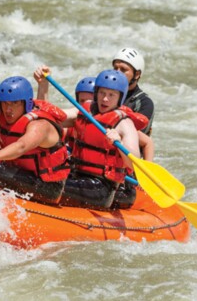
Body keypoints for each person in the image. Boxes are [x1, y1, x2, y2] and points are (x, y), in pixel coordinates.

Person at [0, 64, 71, 205]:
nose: (8, 109)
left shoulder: (39, 125)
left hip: (47, 187)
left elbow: (21, 146)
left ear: (26, 104)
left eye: (14, 103)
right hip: (22, 174)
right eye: (5, 104)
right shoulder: (5, 112)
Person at [61, 69, 148, 209]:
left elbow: (134, 164)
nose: (105, 99)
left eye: (111, 95)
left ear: (120, 97)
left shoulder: (124, 124)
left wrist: (119, 142)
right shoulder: (85, 111)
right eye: (102, 93)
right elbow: (58, 117)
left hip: (100, 188)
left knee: (53, 185)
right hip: (77, 175)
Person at [112, 47, 155, 135]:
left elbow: (137, 136)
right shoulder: (103, 93)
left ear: (137, 74)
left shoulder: (145, 103)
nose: (117, 73)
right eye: (115, 68)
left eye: (123, 70)